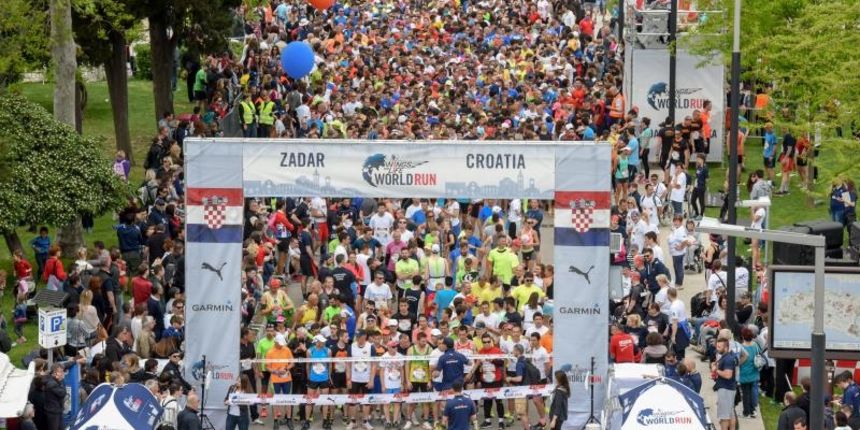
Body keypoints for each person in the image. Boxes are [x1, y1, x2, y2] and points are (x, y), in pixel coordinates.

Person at [712, 338, 738, 430]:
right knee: (730, 414)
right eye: (717, 346)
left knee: (724, 417)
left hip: (726, 390)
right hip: (729, 389)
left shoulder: (728, 359)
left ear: (726, 347)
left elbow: (728, 375)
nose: (717, 348)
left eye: (719, 347)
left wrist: (716, 370)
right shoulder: (726, 357)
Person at [43, 364, 66, 430]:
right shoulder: (52, 383)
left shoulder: (52, 380)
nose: (62, 373)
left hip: (56, 410)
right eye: (61, 371)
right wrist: (62, 381)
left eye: (62, 371)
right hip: (53, 412)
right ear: (54, 373)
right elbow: (62, 393)